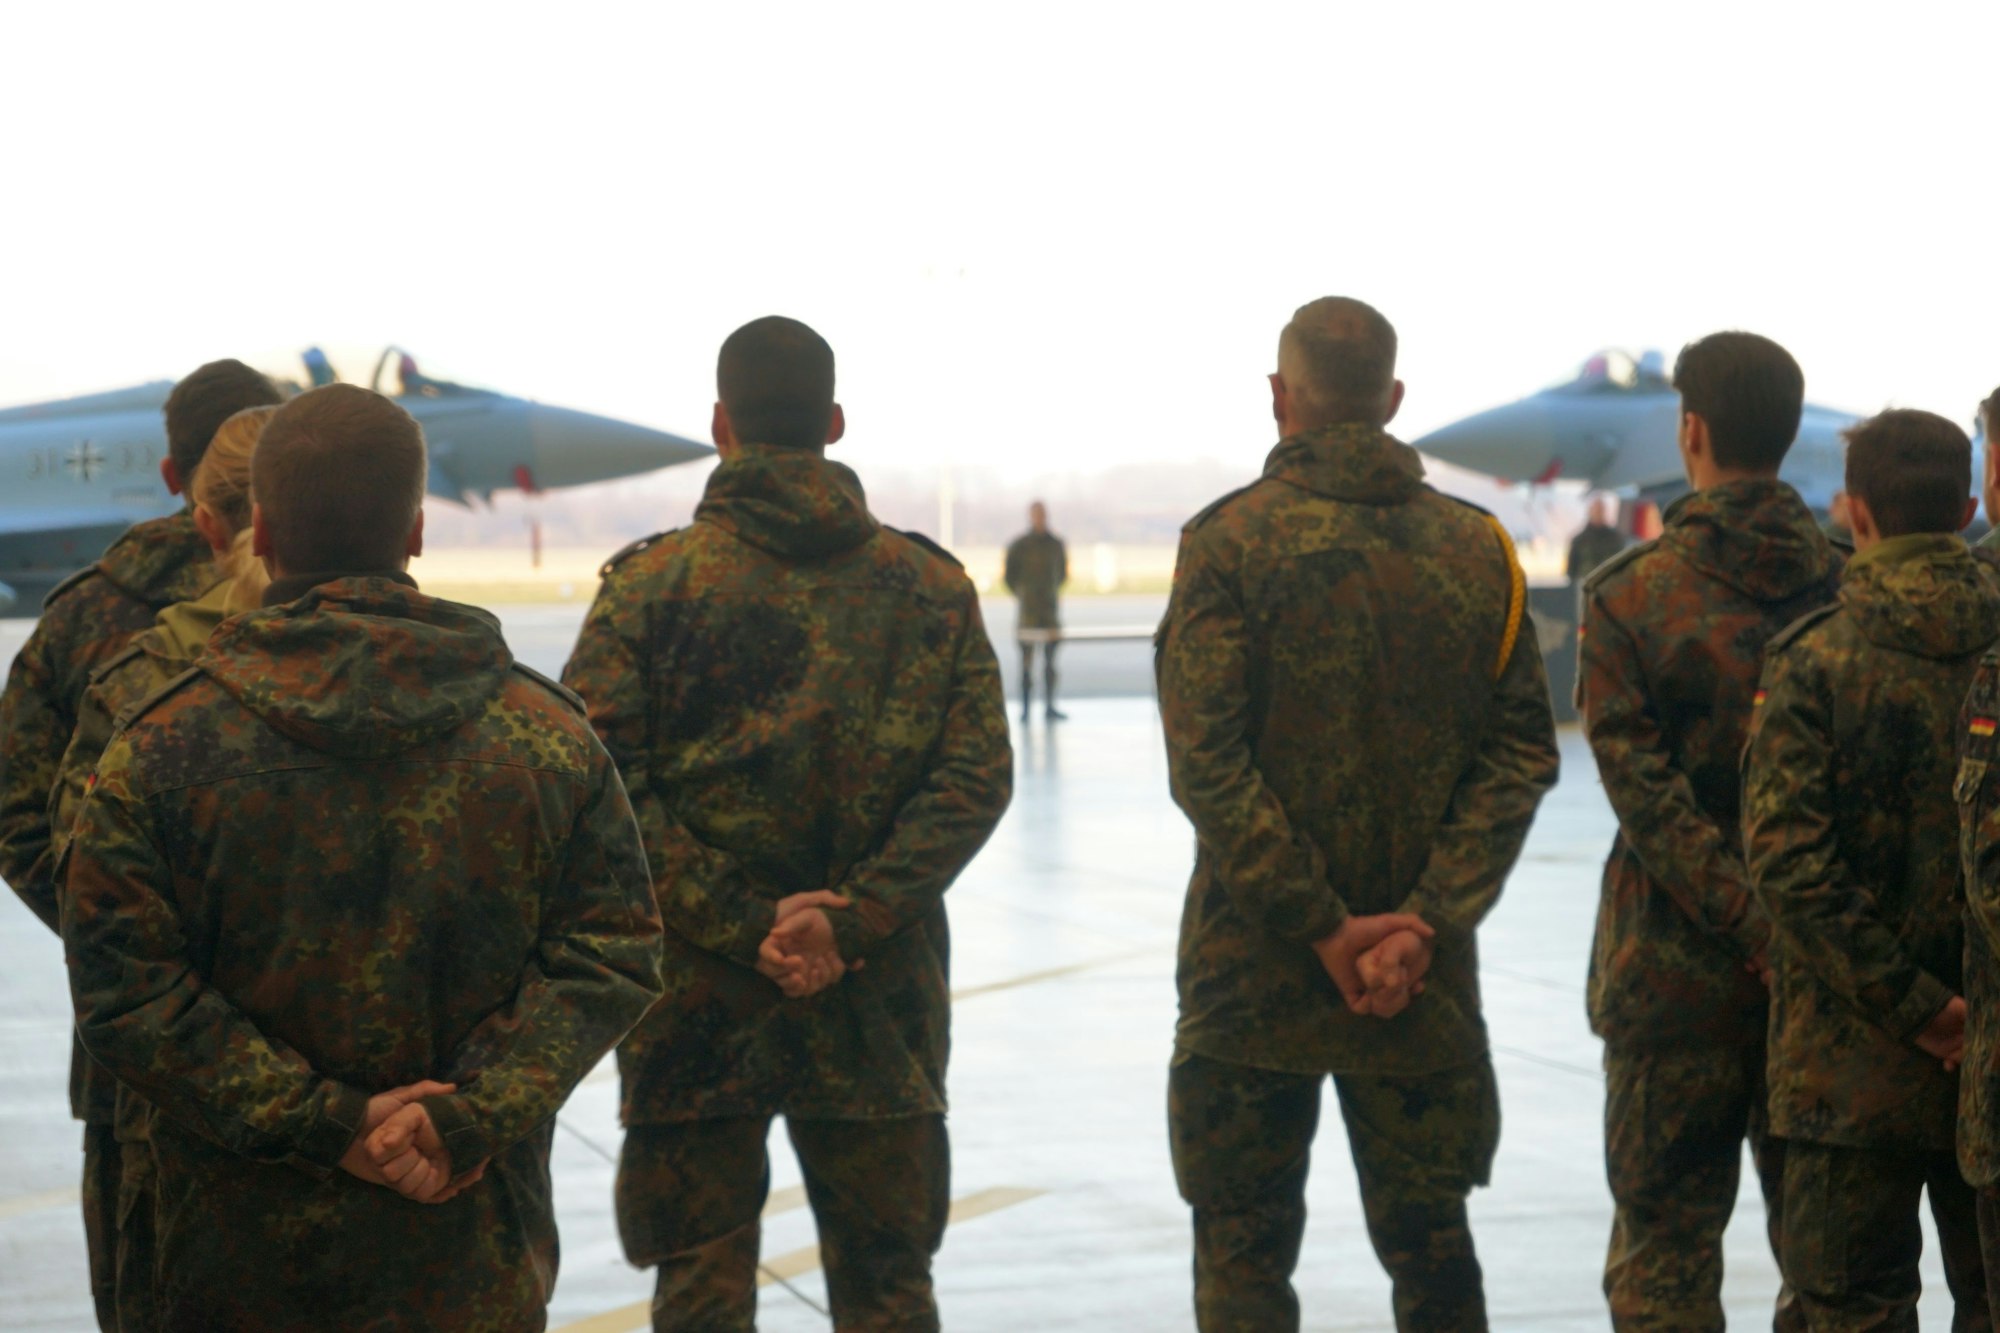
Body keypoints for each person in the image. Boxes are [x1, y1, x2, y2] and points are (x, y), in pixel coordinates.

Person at [58, 383, 665, 1331]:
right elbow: (613, 950)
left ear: (260, 531)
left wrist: (329, 1123)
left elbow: (123, 987)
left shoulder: (161, 747)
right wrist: (465, 1117)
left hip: (231, 1266)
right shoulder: (548, 740)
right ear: (416, 529)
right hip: (467, 1254)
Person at [561, 316, 1012, 1333]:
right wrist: (848, 920)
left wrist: (739, 920)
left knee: (700, 1296)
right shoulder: (930, 589)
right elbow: (974, 777)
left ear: (719, 424)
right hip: (876, 1001)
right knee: (887, 1291)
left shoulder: (649, 589)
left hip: (697, 1010)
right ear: (834, 422)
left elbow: (598, 788)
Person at [1156, 297, 1559, 1332]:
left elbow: (1206, 763)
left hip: (1250, 979)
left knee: (1242, 1265)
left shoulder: (1227, 543)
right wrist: (1424, 920)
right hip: (1416, 985)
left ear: (1278, 396)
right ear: (1391, 398)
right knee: (1434, 1261)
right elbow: (1520, 751)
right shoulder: (1476, 548)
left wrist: (1320, 923)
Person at [0, 357, 280, 1330]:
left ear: (174, 479)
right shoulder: (351, 604)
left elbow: (18, 814)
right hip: (347, 1064)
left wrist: (121, 932)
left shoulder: (84, 614)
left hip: (140, 1063)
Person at [1575, 331, 1840, 1330]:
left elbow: (1646, 801)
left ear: (1690, 431)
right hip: (1826, 987)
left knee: (1662, 1266)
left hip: (1669, 988)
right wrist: (1787, 934)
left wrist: (1744, 924)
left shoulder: (1626, 598)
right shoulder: (1851, 591)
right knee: (1830, 1272)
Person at [1743, 408, 1995, 1324]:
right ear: (1966, 509)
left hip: (1847, 1075)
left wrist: (1917, 1009)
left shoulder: (1815, 659)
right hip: (1992, 1064)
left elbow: (1789, 863)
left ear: (1854, 512)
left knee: (1849, 1309)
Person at [1004, 500, 1068, 721]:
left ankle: (1050, 705)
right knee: (1026, 664)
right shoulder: (1020, 546)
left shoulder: (1056, 545)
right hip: (1028, 614)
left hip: (1049, 613)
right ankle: (1025, 709)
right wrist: (1024, 594)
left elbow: (1062, 574)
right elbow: (1009, 577)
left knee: (1050, 664)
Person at [1567, 495, 1629, 582]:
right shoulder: (1579, 540)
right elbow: (1571, 572)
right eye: (1596, 510)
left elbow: (1623, 565)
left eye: (1601, 510)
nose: (1598, 513)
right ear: (1590, 511)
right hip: (1586, 584)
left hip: (1610, 584)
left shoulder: (1615, 538)